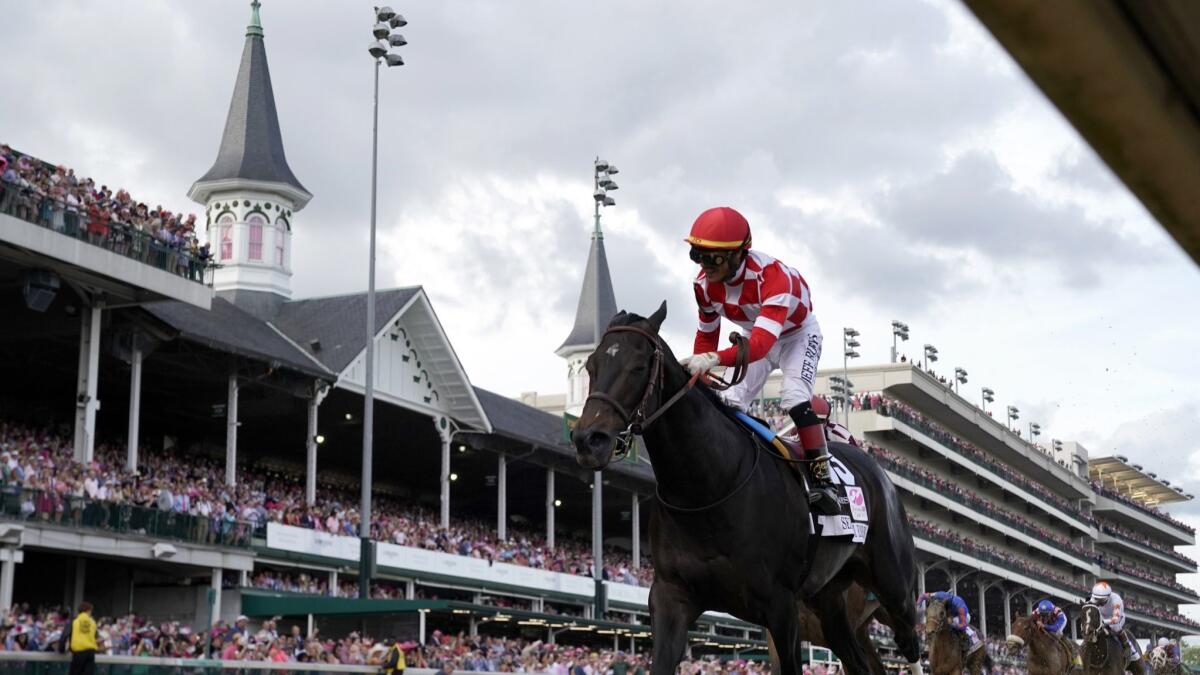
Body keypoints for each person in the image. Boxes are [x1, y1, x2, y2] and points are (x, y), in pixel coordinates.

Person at [679, 206, 837, 513]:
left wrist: (711, 359)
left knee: (793, 397)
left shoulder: (774, 279)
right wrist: (704, 367)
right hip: (755, 333)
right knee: (729, 401)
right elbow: (707, 334)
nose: (704, 265)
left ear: (738, 254)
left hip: (796, 336)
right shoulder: (703, 286)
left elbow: (763, 345)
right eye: (697, 255)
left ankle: (823, 481)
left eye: (712, 257)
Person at [1090, 582, 1141, 665]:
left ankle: (1127, 646)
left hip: (1116, 618)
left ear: (1108, 596)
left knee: (1115, 627)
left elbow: (1115, 619)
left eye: (1101, 600)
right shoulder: (1093, 598)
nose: (1099, 602)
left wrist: (1103, 622)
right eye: (1097, 599)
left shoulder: (1116, 600)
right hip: (1102, 617)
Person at [920, 591, 982, 656]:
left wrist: (951, 621)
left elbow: (963, 625)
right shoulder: (939, 596)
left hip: (963, 617)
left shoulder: (959, 605)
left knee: (954, 622)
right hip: (951, 615)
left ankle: (970, 639)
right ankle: (928, 645)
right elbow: (923, 596)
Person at [1033, 599, 1082, 667]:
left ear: (1051, 612)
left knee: (1056, 634)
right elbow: (1030, 620)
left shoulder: (1059, 614)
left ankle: (1075, 657)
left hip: (1057, 624)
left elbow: (1055, 628)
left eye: (1046, 614)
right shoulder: (1037, 611)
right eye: (1042, 614)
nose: (1044, 616)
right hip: (1047, 623)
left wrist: (1044, 625)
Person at [59, 601, 98, 675]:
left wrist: (61, 649)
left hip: (78, 654)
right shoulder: (93, 622)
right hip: (90, 653)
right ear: (89, 610)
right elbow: (96, 637)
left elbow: (64, 636)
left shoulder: (74, 621)